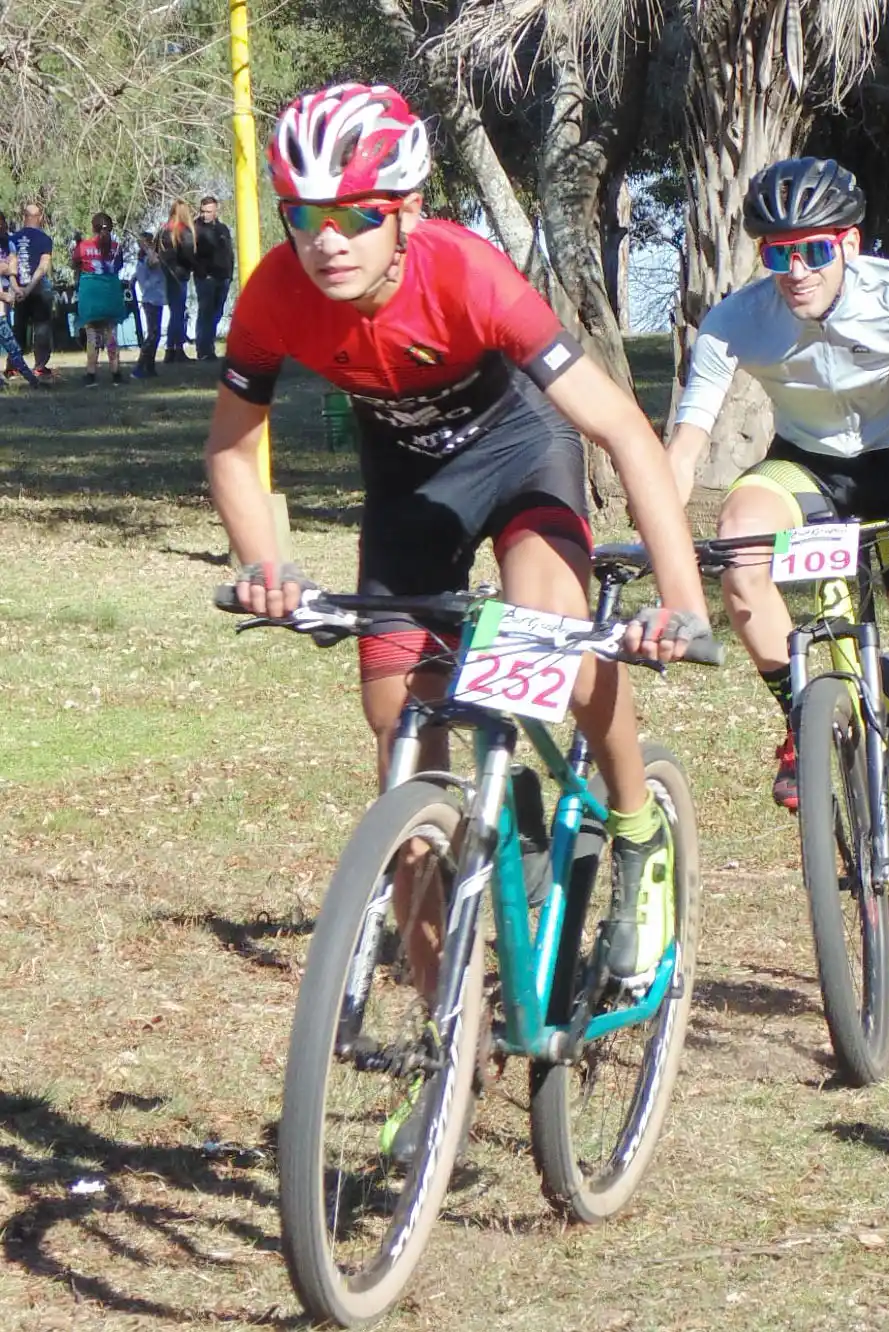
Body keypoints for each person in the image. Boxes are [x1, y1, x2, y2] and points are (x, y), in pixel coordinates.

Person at [206, 83, 711, 1009]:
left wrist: (680, 601)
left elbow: (622, 432)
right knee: (399, 732)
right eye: (304, 216)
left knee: (547, 634)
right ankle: (451, 1026)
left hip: (522, 456)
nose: (327, 241)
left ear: (406, 212)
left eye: (357, 215)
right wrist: (261, 563)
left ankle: (637, 827)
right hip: (411, 487)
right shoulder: (275, 294)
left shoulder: (468, 275)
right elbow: (233, 447)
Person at [666, 157, 889, 968]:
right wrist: (660, 528)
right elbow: (686, 443)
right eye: (777, 253)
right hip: (809, 467)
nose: (795, 270)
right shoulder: (736, 320)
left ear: (849, 245)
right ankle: (801, 717)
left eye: (813, 251)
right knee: (738, 540)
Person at [72, 212, 126, 386]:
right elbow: (119, 266)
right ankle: (116, 372)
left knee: (92, 335)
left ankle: (91, 373)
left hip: (91, 294)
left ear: (93, 227)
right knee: (112, 333)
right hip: (111, 294)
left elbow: (75, 265)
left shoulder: (82, 247)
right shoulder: (116, 247)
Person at [0, 211, 47, 391]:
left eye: (2, 223)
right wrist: (4, 295)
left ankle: (32, 380)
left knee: (12, 345)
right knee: (12, 343)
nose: (1, 227)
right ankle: (31, 380)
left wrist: (17, 289)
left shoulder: (10, 243)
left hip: (4, 301)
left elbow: (12, 271)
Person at [8, 202, 54, 379]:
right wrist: (28, 289)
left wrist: (17, 289)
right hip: (38, 289)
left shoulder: (13, 239)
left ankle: (13, 366)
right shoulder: (45, 239)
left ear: (24, 217)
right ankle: (40, 366)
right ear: (40, 218)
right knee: (41, 328)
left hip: (18, 289)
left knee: (18, 328)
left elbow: (9, 267)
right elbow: (43, 267)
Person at [192, 195, 234, 360]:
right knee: (205, 313)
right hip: (206, 278)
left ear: (216, 211)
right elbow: (190, 254)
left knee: (217, 313)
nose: (205, 215)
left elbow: (229, 252)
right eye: (203, 211)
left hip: (223, 277)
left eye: (209, 211)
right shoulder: (195, 228)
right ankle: (204, 350)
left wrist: (229, 274)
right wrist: (202, 272)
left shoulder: (223, 229)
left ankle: (208, 346)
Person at [156, 199, 196, 363]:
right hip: (179, 275)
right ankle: (176, 349)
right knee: (178, 313)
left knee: (175, 312)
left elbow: (156, 252)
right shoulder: (182, 231)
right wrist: (195, 266)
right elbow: (189, 254)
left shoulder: (163, 230)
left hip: (165, 274)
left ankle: (170, 349)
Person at [131, 230, 166, 378]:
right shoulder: (147, 259)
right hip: (151, 300)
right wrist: (148, 248)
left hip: (157, 299)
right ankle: (139, 368)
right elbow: (154, 262)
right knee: (152, 334)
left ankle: (150, 367)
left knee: (156, 335)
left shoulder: (145, 259)